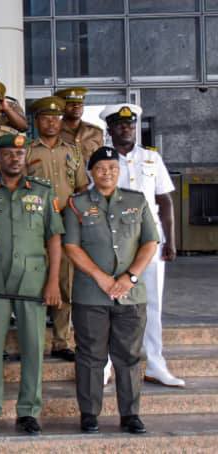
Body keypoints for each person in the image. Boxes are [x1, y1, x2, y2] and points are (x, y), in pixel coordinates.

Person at [0, 133, 65, 436]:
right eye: (8, 153)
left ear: (26, 158)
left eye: (19, 154)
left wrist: (53, 282)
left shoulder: (43, 191)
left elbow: (54, 238)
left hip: (33, 281)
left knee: (34, 346)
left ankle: (29, 411)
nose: (14, 159)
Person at [63, 147, 158, 435]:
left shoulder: (136, 201)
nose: (108, 173)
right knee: (91, 356)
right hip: (91, 295)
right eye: (101, 168)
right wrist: (101, 278)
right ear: (91, 172)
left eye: (113, 168)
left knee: (128, 357)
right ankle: (89, 414)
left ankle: (130, 415)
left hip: (131, 295)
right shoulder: (76, 204)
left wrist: (129, 277)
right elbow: (71, 246)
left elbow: (150, 242)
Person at [103, 103, 183, 388]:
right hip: (115, 240)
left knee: (152, 304)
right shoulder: (103, 159)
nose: (127, 128)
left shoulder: (151, 159)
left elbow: (165, 201)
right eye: (120, 124)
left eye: (131, 124)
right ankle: (106, 364)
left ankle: (156, 364)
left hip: (151, 240)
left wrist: (170, 241)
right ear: (110, 129)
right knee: (112, 300)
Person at [26, 96, 88, 362]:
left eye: (56, 117)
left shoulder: (72, 150)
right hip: (33, 223)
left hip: (64, 224)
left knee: (65, 281)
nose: (52, 122)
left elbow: (82, 187)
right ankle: (35, 339)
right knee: (35, 282)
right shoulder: (27, 149)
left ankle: (61, 340)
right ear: (36, 121)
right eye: (46, 117)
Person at [55, 87, 104, 160]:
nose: (76, 107)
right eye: (71, 104)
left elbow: (101, 160)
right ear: (61, 107)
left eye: (80, 104)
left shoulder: (95, 132)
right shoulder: (53, 131)